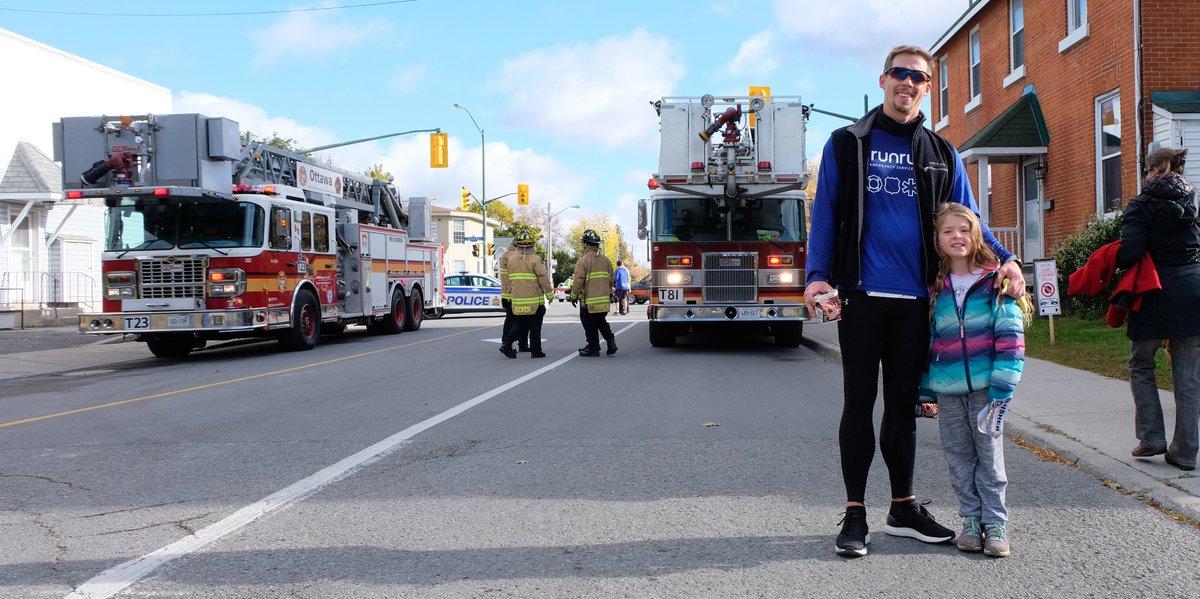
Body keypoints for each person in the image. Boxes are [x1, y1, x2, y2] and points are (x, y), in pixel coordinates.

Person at [802, 44, 1027, 558]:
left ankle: (902, 507)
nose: (908, 82)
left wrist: (1007, 258)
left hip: (918, 302)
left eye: (919, 77)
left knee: (903, 406)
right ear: (883, 80)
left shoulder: (941, 152)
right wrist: (816, 277)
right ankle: (855, 513)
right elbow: (826, 214)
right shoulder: (846, 144)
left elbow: (970, 219)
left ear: (927, 88)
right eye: (899, 73)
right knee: (859, 401)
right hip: (860, 296)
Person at [919, 203, 1029, 558]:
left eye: (965, 230)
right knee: (958, 457)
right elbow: (930, 341)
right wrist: (925, 388)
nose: (957, 237)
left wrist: (1003, 384)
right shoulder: (936, 288)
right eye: (948, 231)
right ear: (938, 239)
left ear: (977, 235)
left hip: (988, 391)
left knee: (989, 457)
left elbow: (1010, 339)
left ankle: (995, 523)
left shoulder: (994, 282)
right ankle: (970, 520)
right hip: (948, 391)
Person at [1116, 147, 1199, 472]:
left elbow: (1130, 253)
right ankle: (1185, 452)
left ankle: (1151, 436)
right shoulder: (1191, 202)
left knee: (1141, 363)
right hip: (1193, 293)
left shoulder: (1141, 205)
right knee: (1189, 377)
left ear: (1150, 170)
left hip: (1154, 293)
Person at [500, 227, 553, 359]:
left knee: (520, 323)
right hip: (534, 300)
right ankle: (536, 351)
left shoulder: (511, 260)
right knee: (535, 326)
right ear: (532, 245)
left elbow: (508, 279)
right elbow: (543, 278)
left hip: (517, 299)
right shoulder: (535, 260)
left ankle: (506, 344)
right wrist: (549, 295)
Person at [572, 229, 617, 357]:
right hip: (603, 299)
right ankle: (611, 342)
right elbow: (611, 279)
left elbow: (578, 280)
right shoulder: (606, 260)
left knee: (588, 323)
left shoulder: (584, 260)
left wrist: (574, 296)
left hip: (589, 300)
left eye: (583, 243)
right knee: (601, 321)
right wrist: (607, 292)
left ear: (586, 244)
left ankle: (593, 348)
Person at [499, 243, 530, 353]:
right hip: (512, 294)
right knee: (516, 320)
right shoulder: (513, 256)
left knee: (519, 320)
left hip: (509, 294)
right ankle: (507, 344)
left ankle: (522, 344)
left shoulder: (508, 255)